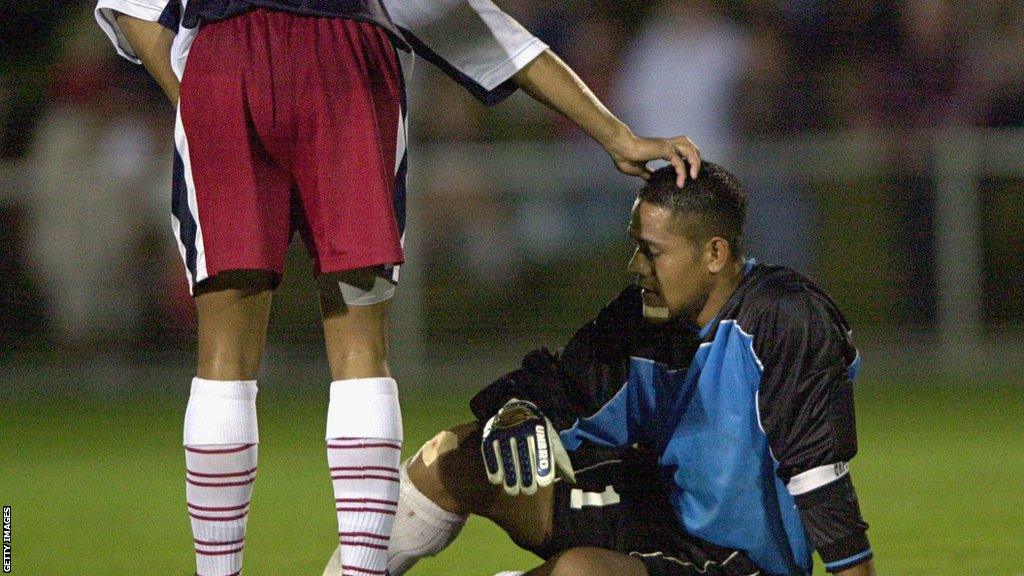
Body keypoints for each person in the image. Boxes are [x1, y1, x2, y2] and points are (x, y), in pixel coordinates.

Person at [92, 1, 702, 575]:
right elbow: (485, 30)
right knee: (360, 350)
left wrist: (201, 95)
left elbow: (135, 9)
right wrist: (616, 134)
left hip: (226, 54)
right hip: (344, 54)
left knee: (223, 358)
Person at [364, 163, 876, 576]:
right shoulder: (645, 315)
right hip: (653, 515)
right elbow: (556, 387)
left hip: (741, 564)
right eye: (637, 245)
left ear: (715, 253)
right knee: (453, 458)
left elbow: (820, 478)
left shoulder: (785, 319)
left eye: (652, 251)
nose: (635, 264)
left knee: (578, 574)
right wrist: (516, 410)